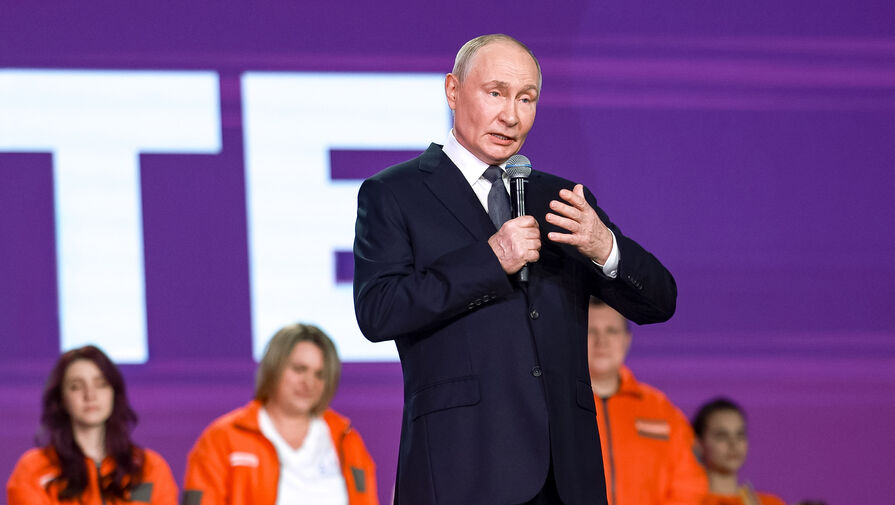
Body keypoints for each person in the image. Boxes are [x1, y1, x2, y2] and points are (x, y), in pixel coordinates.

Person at [353, 33, 677, 505]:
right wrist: (491, 261)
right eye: (496, 93)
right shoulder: (395, 193)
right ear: (452, 91)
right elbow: (379, 311)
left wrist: (604, 246)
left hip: (566, 476)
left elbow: (660, 301)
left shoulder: (561, 199)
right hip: (462, 468)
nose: (512, 116)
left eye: (527, 99)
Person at [182, 323, 378, 505]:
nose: (309, 382)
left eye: (320, 375)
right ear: (273, 368)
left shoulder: (348, 440)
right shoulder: (222, 438)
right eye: (299, 369)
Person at [6, 345, 178, 505]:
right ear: (61, 398)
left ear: (114, 392)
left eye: (101, 384)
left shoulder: (149, 467)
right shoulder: (33, 469)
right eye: (76, 387)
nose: (90, 395)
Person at [587, 298, 706, 505]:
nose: (601, 341)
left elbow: (690, 486)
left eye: (611, 331)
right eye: (590, 331)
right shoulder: (555, 407)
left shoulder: (660, 409)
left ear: (627, 340)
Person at [691, 398, 786, 505]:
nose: (733, 444)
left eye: (740, 435)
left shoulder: (770, 503)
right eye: (721, 436)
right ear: (699, 443)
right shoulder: (686, 501)